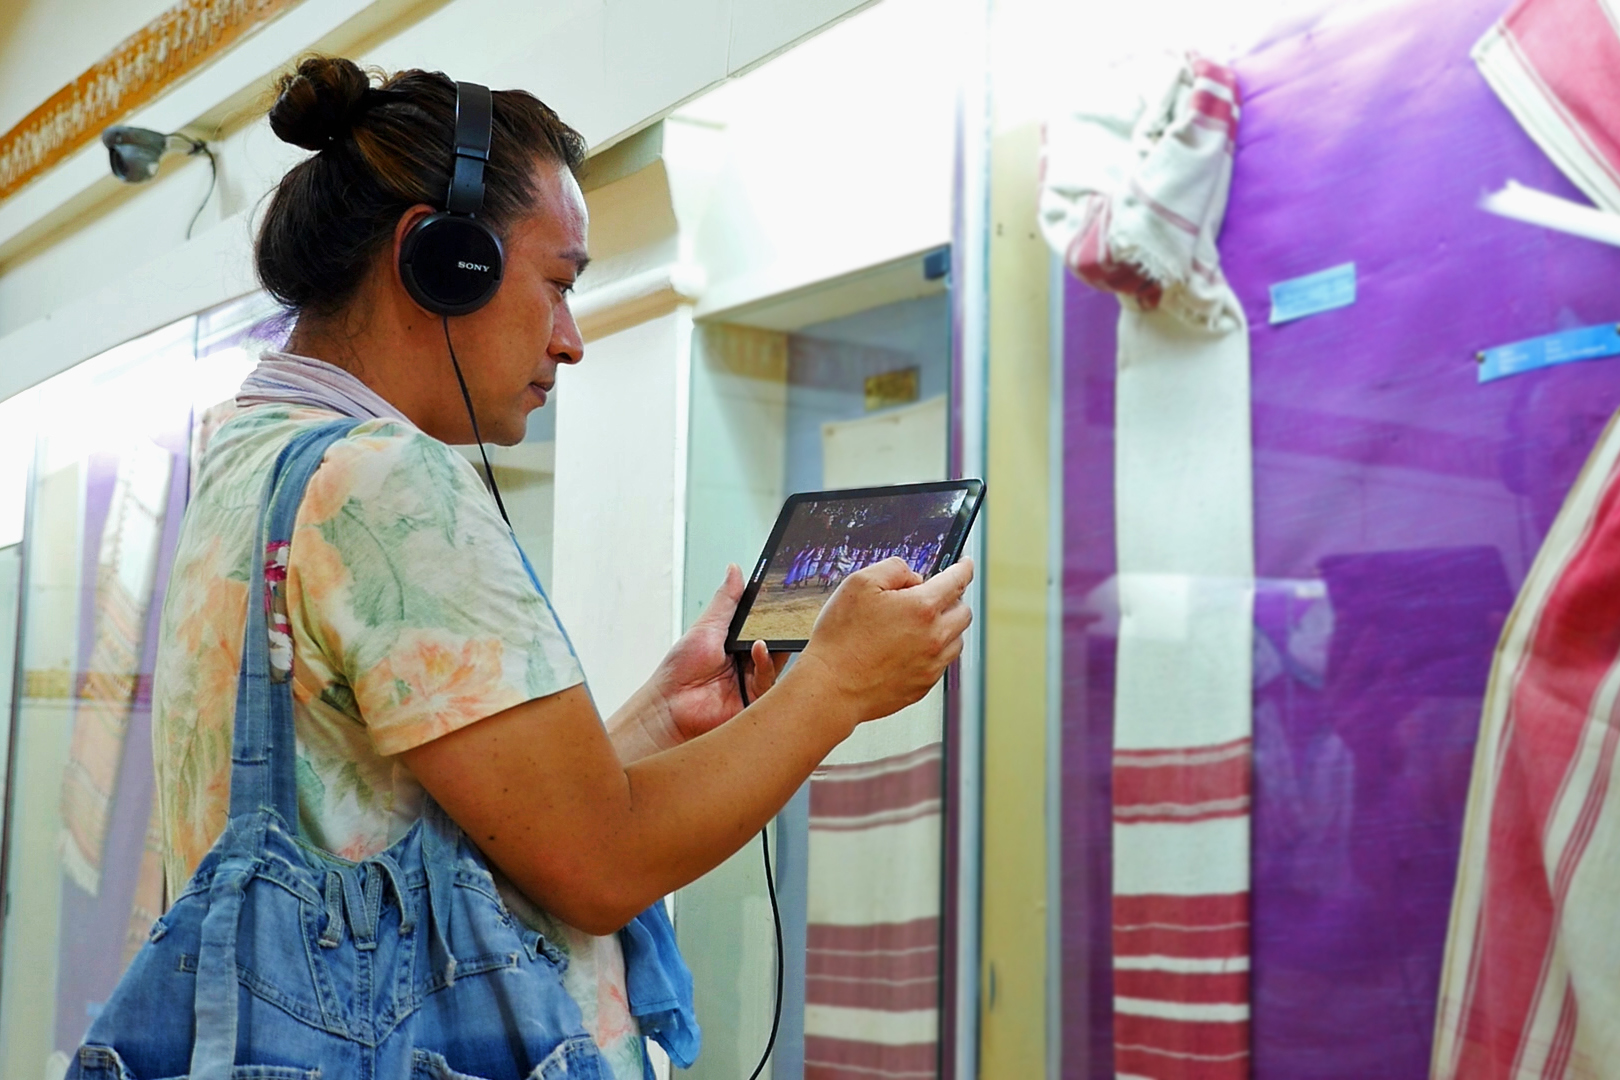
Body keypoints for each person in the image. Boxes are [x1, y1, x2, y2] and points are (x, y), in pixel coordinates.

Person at [149, 57, 973, 1079]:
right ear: (439, 261)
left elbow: (437, 841)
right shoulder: (386, 483)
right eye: (559, 284)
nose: (572, 340)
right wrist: (837, 686)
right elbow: (600, 866)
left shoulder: (251, 459)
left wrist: (662, 720)